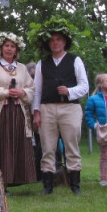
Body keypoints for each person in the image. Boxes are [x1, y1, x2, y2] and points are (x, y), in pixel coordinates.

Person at [32, 23, 89, 194]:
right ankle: (47, 186)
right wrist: (36, 111)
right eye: (52, 40)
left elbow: (85, 86)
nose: (55, 43)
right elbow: (38, 90)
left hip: (70, 108)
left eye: (59, 40)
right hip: (47, 108)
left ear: (65, 42)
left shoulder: (75, 60)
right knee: (47, 147)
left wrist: (69, 91)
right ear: (48, 44)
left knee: (71, 146)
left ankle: (75, 185)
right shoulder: (42, 63)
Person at [0, 32, 37, 187]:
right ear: (1, 48)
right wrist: (5, 92)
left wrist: (22, 92)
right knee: (1, 144)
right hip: (1, 113)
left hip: (18, 113)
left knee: (17, 143)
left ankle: (16, 179)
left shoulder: (22, 68)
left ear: (16, 50)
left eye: (12, 46)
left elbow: (31, 88)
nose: (9, 49)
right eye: (7, 45)